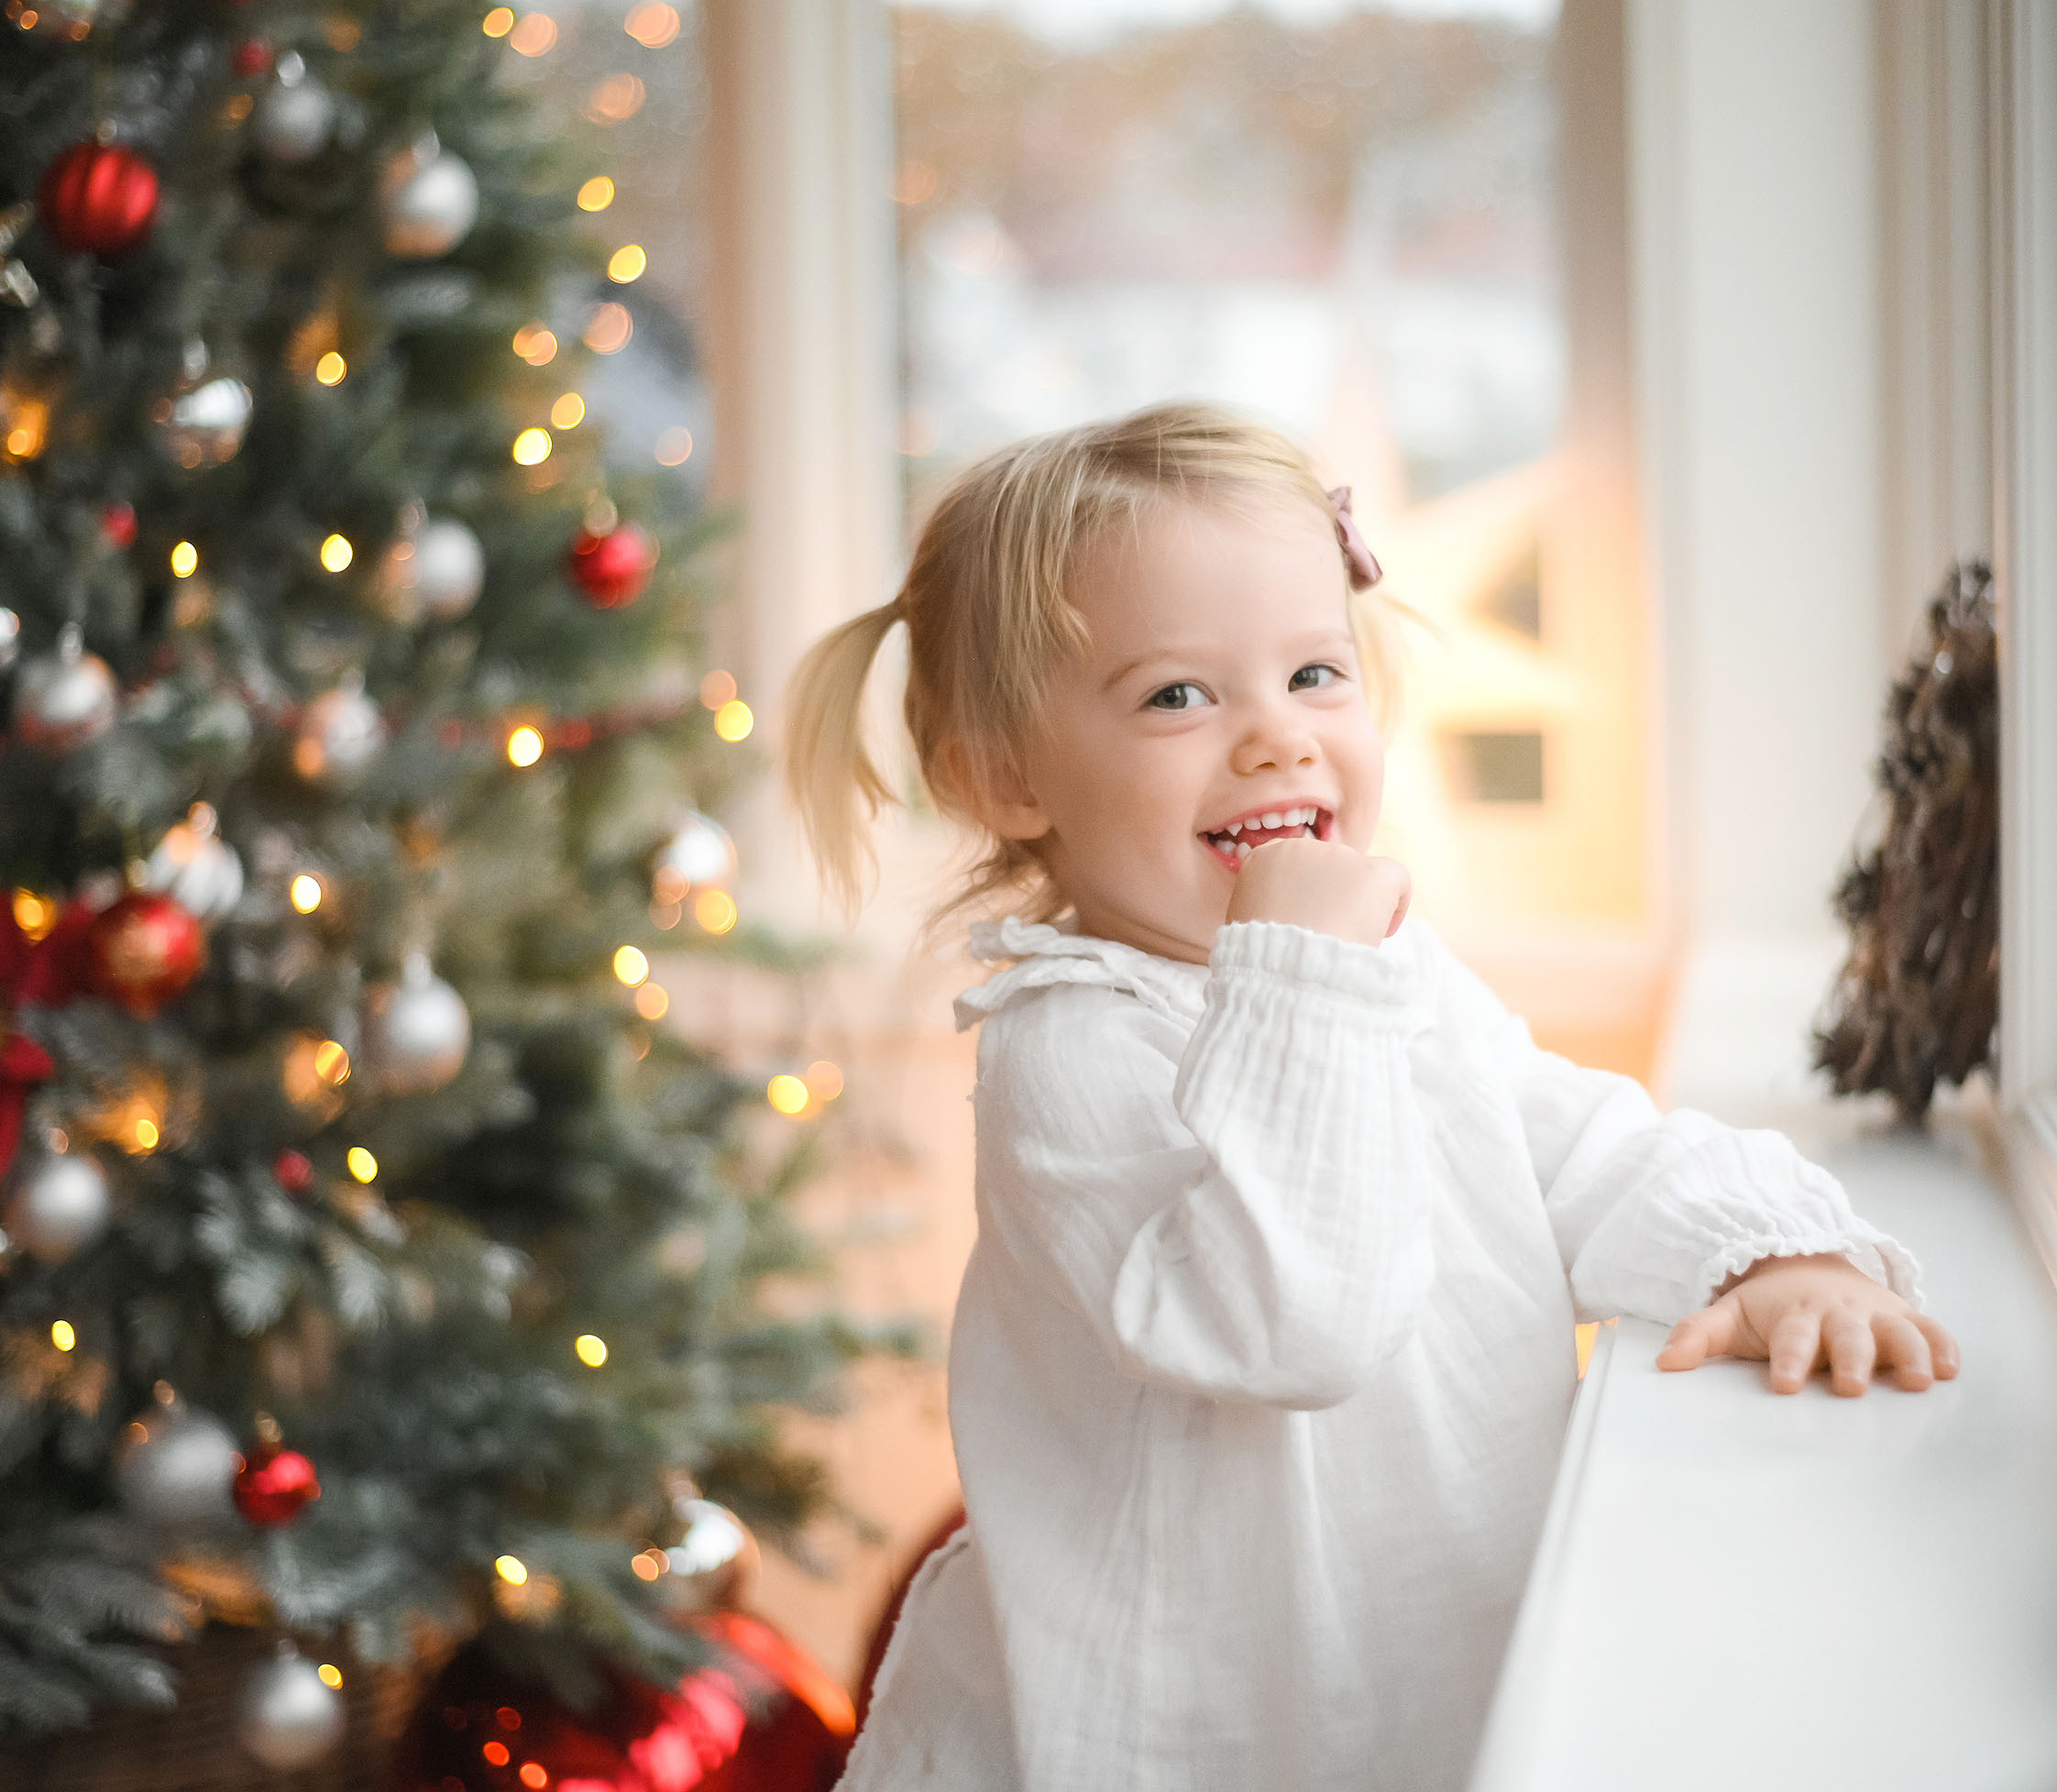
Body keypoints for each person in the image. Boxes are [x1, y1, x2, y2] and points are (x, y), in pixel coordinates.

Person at [782, 402, 1962, 1792]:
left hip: (1428, 1679)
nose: (1277, 738)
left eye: (1315, 674)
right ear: (1006, 777)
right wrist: (1304, 972)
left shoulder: (1374, 974)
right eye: (1179, 695)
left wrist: (1771, 1250)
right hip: (1204, 1728)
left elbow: (1561, 1139)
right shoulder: (1072, 1050)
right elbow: (1297, 1320)